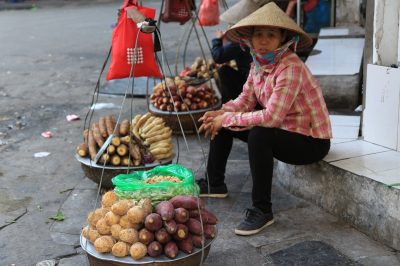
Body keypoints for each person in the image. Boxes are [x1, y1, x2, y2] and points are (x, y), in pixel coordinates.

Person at [197, 2, 332, 236]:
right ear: (250, 39)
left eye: (271, 34)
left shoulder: (290, 68)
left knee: (260, 133)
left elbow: (271, 117)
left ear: (282, 39)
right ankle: (214, 183)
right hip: (284, 130)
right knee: (225, 121)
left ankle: (262, 210)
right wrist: (220, 113)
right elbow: (244, 100)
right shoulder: (258, 63)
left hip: (310, 141)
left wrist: (227, 118)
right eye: (258, 34)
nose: (263, 40)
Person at [212, 0, 272, 103]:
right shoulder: (247, 40)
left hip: (256, 88)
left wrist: (217, 40)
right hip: (254, 84)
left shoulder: (242, 41)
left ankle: (232, 101)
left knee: (223, 71)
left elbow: (218, 56)